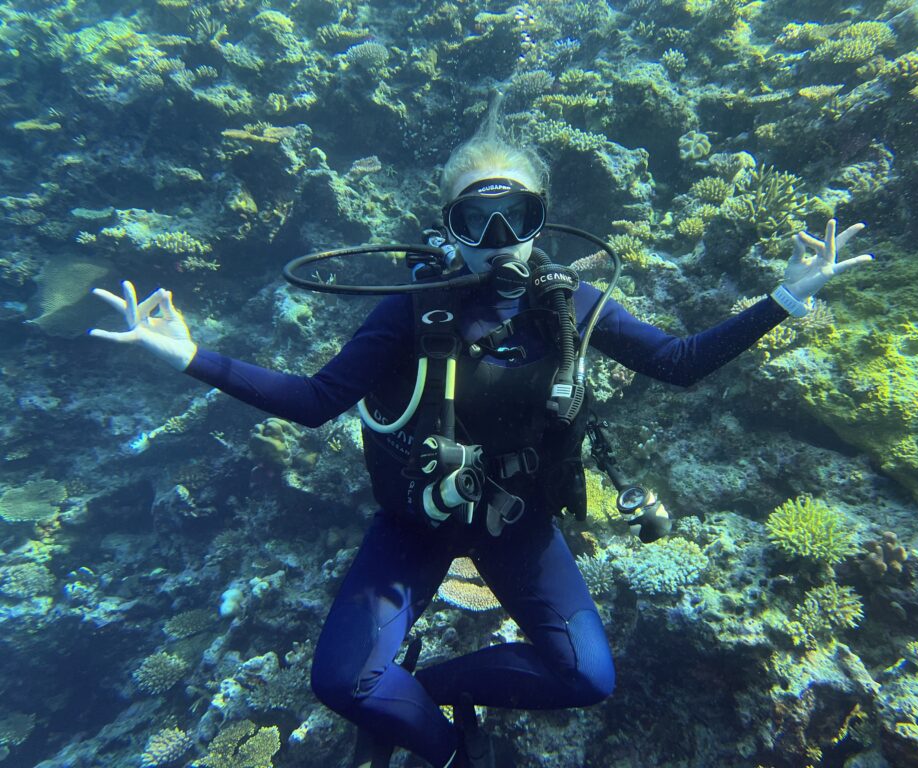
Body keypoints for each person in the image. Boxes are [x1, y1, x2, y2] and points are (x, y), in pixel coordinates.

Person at [91, 132, 873, 768]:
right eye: (477, 223)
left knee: (587, 678)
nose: (500, 242)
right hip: (415, 522)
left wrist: (785, 296)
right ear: (447, 228)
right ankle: (448, 753)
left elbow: (679, 363)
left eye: (517, 217)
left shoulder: (575, 307)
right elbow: (314, 402)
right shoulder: (407, 314)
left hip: (522, 521)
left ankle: (425, 689)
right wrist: (188, 355)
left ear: (542, 219)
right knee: (341, 682)